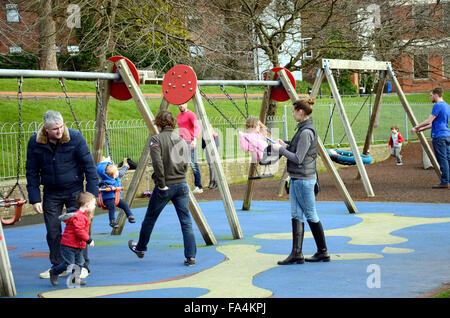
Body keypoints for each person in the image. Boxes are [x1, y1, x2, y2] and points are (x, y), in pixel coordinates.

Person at [26, 110, 98, 279]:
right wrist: (35, 197)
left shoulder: (75, 138)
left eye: (61, 127)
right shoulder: (35, 143)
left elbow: (89, 166)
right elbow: (31, 171)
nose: (59, 131)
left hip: (74, 190)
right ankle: (59, 265)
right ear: (46, 129)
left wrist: (92, 195)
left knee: (78, 229)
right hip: (51, 192)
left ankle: (82, 265)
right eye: (55, 129)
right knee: (53, 231)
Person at [128, 110, 197, 266]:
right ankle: (190, 256)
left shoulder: (156, 140)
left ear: (158, 124)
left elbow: (158, 164)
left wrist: (162, 184)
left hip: (166, 186)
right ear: (173, 123)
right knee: (186, 221)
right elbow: (186, 163)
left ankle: (141, 248)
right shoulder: (181, 140)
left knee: (150, 218)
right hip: (182, 184)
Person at [271, 98, 330, 265]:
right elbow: (297, 148)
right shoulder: (303, 129)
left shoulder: (306, 132)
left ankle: (322, 251)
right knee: (296, 214)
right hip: (298, 178)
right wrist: (285, 144)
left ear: (301, 112)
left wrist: (280, 150)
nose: (292, 114)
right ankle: (297, 253)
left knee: (311, 214)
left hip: (304, 178)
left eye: (294, 111)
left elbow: (298, 158)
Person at [49, 191, 96, 286]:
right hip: (68, 245)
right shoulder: (79, 216)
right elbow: (79, 231)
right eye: (93, 204)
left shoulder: (83, 215)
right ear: (87, 205)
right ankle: (54, 272)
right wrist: (89, 239)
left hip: (78, 245)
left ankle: (75, 280)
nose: (95, 206)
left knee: (79, 263)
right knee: (69, 264)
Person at [412, 87, 450, 189]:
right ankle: (448, 180)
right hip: (447, 135)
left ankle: (445, 182)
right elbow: (436, 123)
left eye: (431, 95)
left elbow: (429, 121)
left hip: (438, 137)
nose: (430, 97)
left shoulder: (437, 106)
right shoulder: (447, 105)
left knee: (442, 160)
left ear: (436, 95)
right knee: (448, 158)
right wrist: (422, 129)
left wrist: (416, 127)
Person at [96, 158, 136, 228]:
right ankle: (112, 221)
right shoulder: (104, 182)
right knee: (112, 206)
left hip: (117, 198)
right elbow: (101, 189)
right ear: (112, 175)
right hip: (107, 200)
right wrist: (109, 188)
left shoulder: (116, 177)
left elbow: (121, 173)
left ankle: (130, 216)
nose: (118, 173)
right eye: (116, 172)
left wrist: (126, 167)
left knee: (125, 205)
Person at [177, 103, 203, 194]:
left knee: (193, 164)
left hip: (190, 142)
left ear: (186, 104)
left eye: (182, 104)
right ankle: (181, 186)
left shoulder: (191, 114)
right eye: (179, 104)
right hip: (182, 142)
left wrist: (195, 140)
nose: (180, 106)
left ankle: (199, 186)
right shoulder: (178, 116)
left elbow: (197, 127)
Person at [201, 124, 220, 189]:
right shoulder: (204, 135)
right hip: (207, 151)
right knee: (210, 166)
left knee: (212, 166)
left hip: (213, 152)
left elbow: (217, 145)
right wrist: (203, 138)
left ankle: (213, 181)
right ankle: (214, 182)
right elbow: (203, 146)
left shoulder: (215, 135)